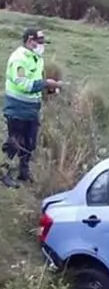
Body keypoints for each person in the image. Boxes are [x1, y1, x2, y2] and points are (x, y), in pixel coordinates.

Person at [3, 28, 63, 187]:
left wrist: (49, 89)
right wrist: (45, 83)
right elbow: (22, 83)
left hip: (32, 109)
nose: (42, 46)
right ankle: (4, 173)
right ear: (30, 41)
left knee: (29, 142)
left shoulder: (37, 58)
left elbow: (36, 81)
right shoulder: (19, 58)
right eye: (40, 42)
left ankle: (24, 172)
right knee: (14, 142)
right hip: (17, 108)